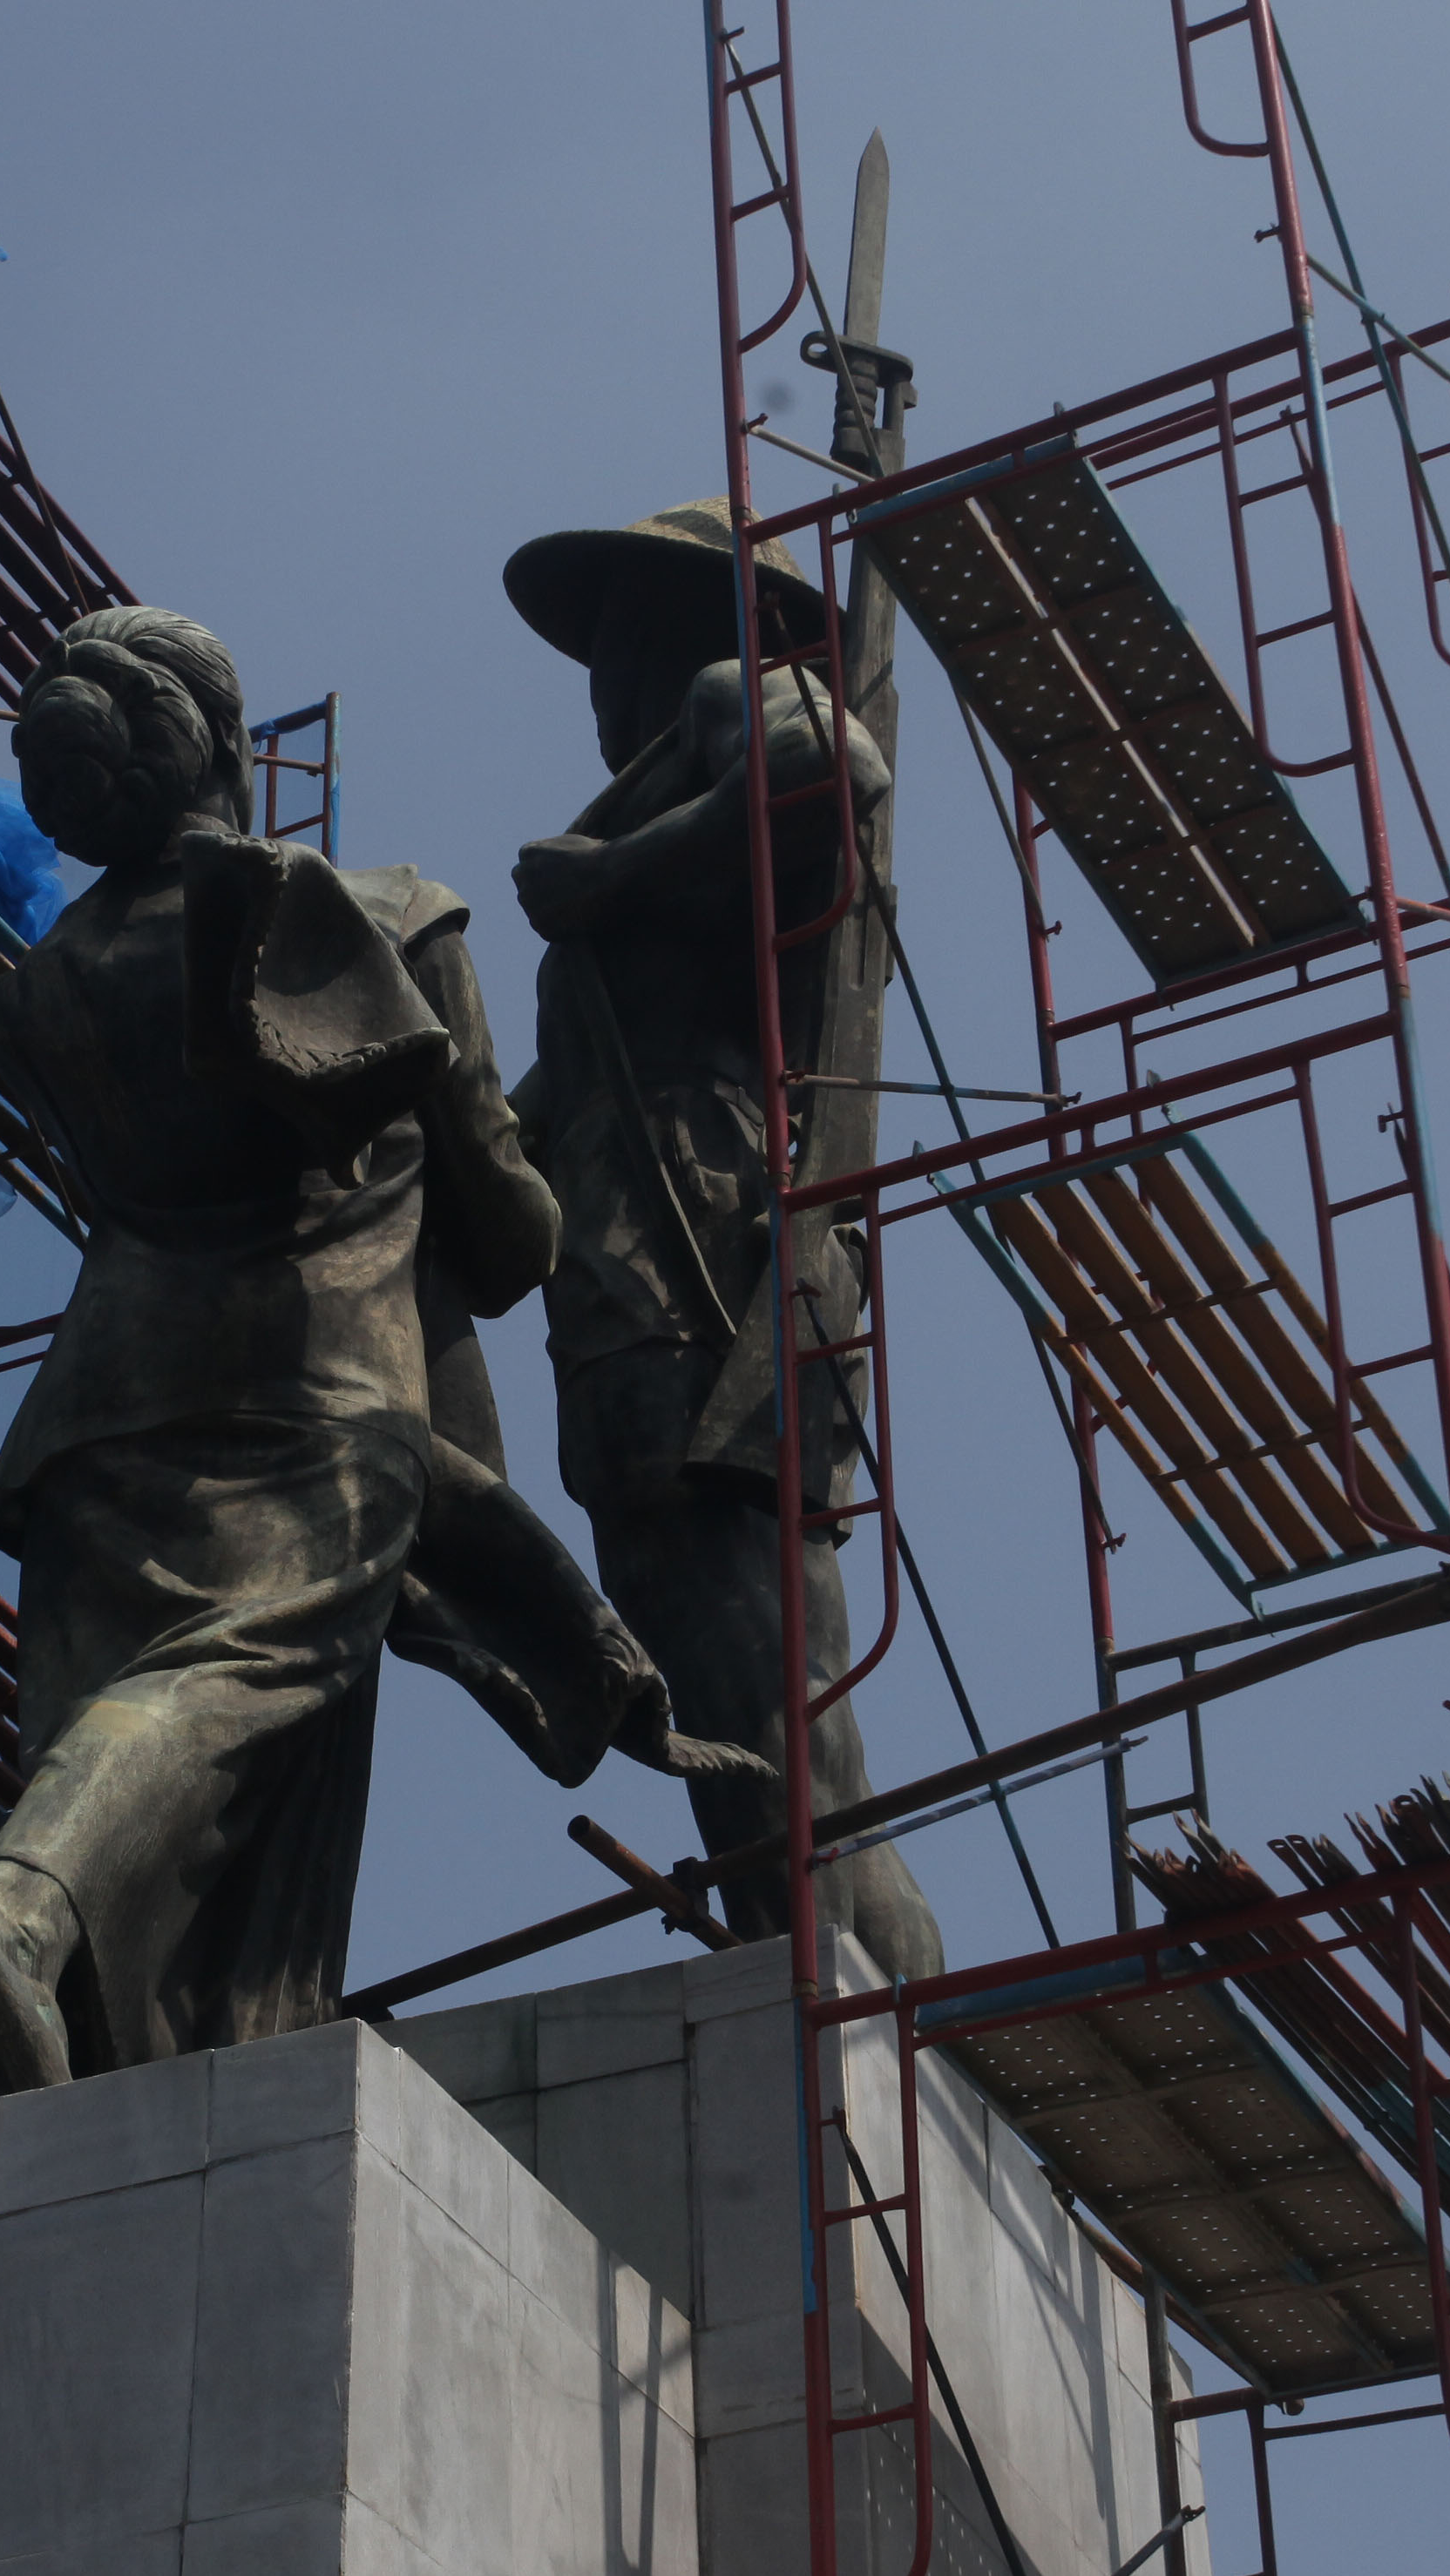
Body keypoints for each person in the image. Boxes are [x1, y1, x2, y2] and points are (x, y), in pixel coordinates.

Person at [0, 605, 751, 2093]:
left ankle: (96, 2054)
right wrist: (503, 1135)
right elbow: (508, 1243)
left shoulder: (35, 995)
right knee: (236, 1683)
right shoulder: (393, 919)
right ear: (223, 744)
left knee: (193, 1787)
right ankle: (21, 1912)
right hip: (310, 1399)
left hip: (98, 1420)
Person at [502, 499, 945, 1980]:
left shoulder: (734, 697)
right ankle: (817, 1972)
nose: (592, 680)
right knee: (721, 1666)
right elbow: (549, 1100)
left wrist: (605, 878)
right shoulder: (648, 799)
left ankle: (843, 1990)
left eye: (605, 638)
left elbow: (833, 769)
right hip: (631, 1259)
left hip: (705, 1249)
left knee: (758, 1674)